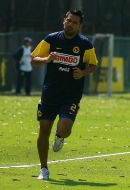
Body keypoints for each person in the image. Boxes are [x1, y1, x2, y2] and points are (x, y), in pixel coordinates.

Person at [31, 9, 98, 180]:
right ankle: (44, 169)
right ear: (64, 21)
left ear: (80, 26)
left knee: (64, 128)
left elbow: (93, 65)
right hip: (50, 93)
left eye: (75, 22)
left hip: (71, 94)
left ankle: (60, 137)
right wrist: (46, 59)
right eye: (69, 21)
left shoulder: (85, 44)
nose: (71, 24)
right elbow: (34, 59)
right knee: (44, 129)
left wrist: (82, 73)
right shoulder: (51, 39)